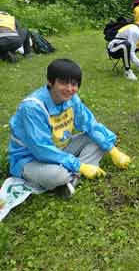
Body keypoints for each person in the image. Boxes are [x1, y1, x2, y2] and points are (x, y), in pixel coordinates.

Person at [8, 59, 132, 197]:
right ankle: (71, 176)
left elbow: (90, 124)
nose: (69, 89)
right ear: (50, 81)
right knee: (57, 175)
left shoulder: (72, 99)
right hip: (30, 158)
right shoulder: (32, 108)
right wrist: (80, 166)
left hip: (61, 147)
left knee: (99, 139)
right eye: (63, 82)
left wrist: (113, 150)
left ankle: (69, 180)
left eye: (74, 84)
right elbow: (41, 149)